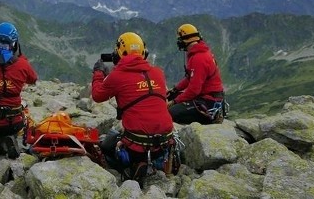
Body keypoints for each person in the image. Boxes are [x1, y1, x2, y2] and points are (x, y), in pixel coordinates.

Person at [92, 32, 177, 182]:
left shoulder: (117, 75)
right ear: (144, 53)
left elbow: (97, 96)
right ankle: (157, 162)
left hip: (136, 146)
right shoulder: (158, 73)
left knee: (106, 144)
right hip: (164, 143)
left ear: (118, 53)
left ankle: (136, 163)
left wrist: (98, 73)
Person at [0, 22, 38, 160]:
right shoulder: (23, 64)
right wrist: (21, 59)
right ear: (14, 43)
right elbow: (33, 79)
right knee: (23, 110)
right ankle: (10, 137)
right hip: (15, 122)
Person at [167, 24, 226, 125]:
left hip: (207, 103)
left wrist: (173, 102)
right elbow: (190, 78)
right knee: (172, 96)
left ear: (184, 41)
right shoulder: (200, 53)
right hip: (210, 99)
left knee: (169, 113)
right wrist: (174, 90)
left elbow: (194, 90)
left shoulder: (199, 59)